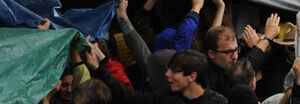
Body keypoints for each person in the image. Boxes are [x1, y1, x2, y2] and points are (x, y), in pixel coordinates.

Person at [85, 47, 227, 103]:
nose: (167, 74)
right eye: (168, 69)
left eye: (175, 71)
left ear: (192, 76)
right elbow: (128, 96)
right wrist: (98, 67)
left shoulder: (217, 102)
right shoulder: (167, 95)